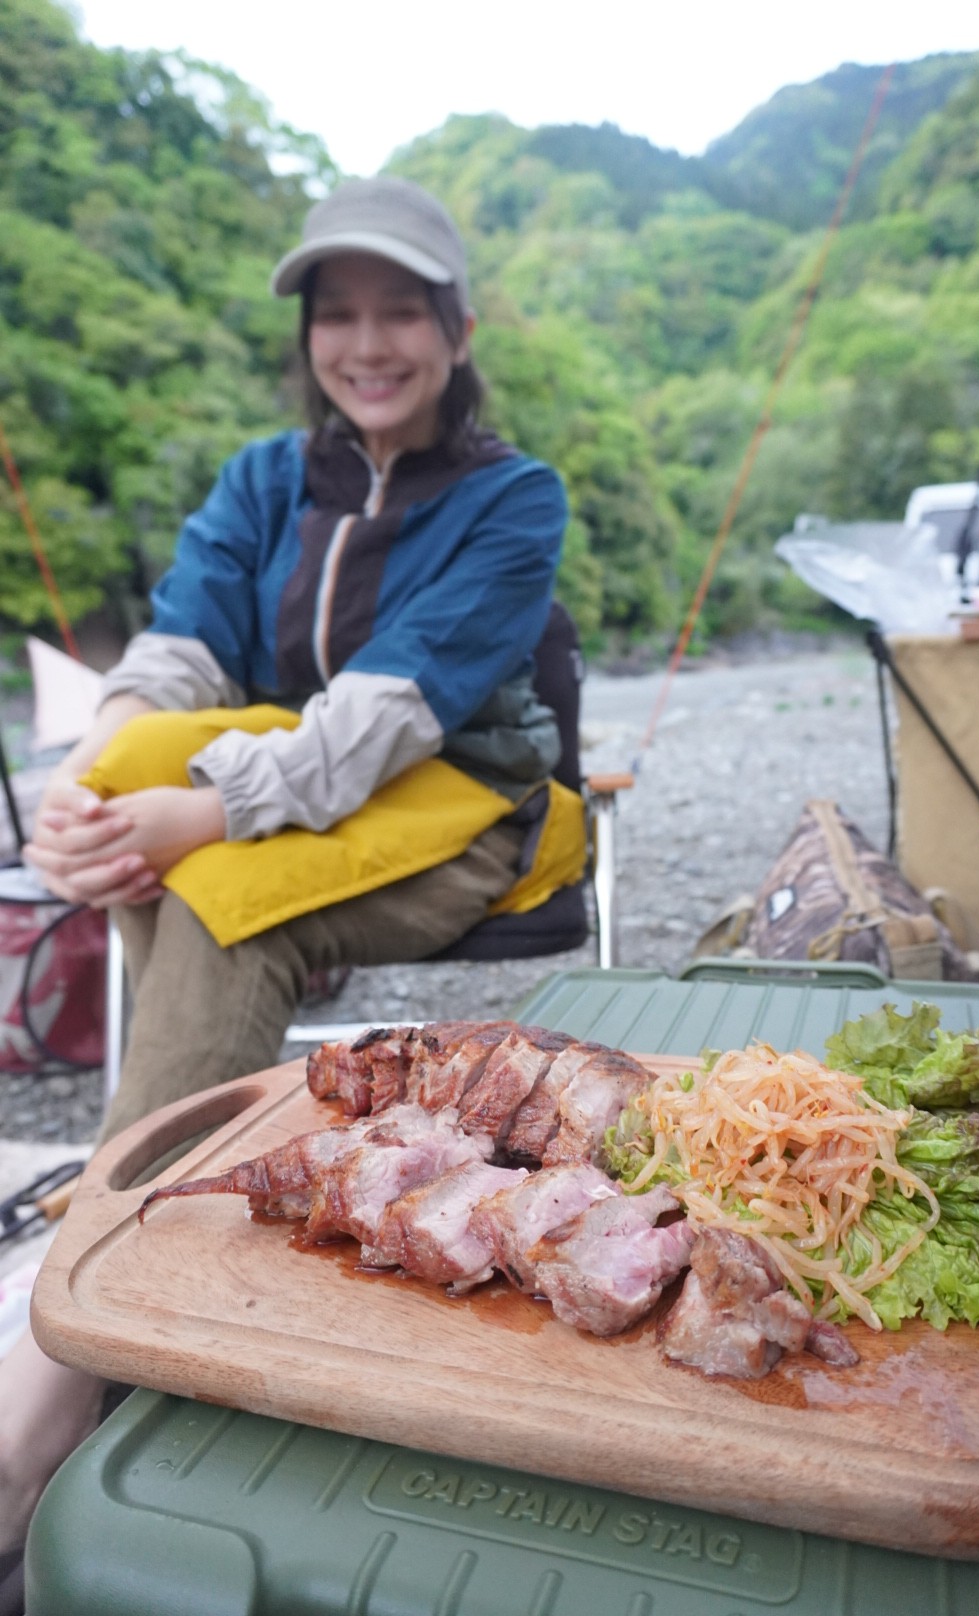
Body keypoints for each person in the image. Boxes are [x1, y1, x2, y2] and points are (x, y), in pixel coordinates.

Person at [0, 175, 570, 1590]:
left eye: (400, 313)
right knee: (160, 844)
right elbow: (178, 651)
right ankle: (160, 1251)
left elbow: (385, 715)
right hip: (296, 812)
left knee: (204, 897)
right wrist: (96, 792)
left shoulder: (511, 498)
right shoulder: (267, 479)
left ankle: (63, 1371)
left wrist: (197, 821)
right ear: (309, 334)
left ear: (456, 327)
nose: (367, 345)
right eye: (339, 315)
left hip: (459, 812)